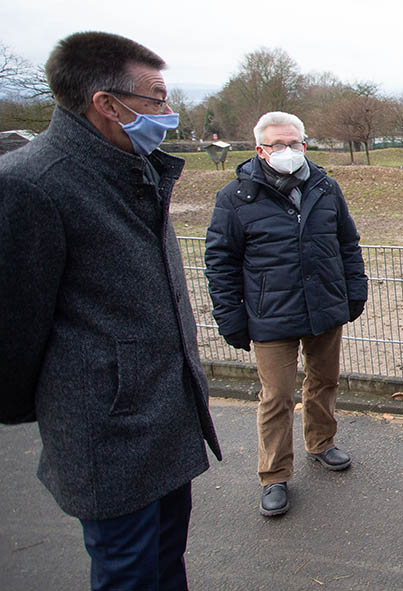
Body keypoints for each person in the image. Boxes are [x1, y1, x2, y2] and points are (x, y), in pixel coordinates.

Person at [0, 32, 221, 589]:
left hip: (165, 417)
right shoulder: (35, 184)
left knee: (166, 563)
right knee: (128, 573)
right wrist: (71, 406)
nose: (167, 113)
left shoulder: (134, 166)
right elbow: (14, 328)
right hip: (107, 431)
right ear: (106, 103)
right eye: (157, 99)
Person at [204, 111, 367, 517]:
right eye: (278, 144)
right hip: (270, 314)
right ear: (260, 149)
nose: (288, 151)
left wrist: (354, 291)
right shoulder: (235, 199)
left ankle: (321, 442)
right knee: (276, 395)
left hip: (324, 307)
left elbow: (347, 243)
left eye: (295, 143)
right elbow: (220, 263)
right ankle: (274, 474)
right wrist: (231, 317)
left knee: (323, 380)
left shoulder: (325, 188)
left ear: (305, 144)